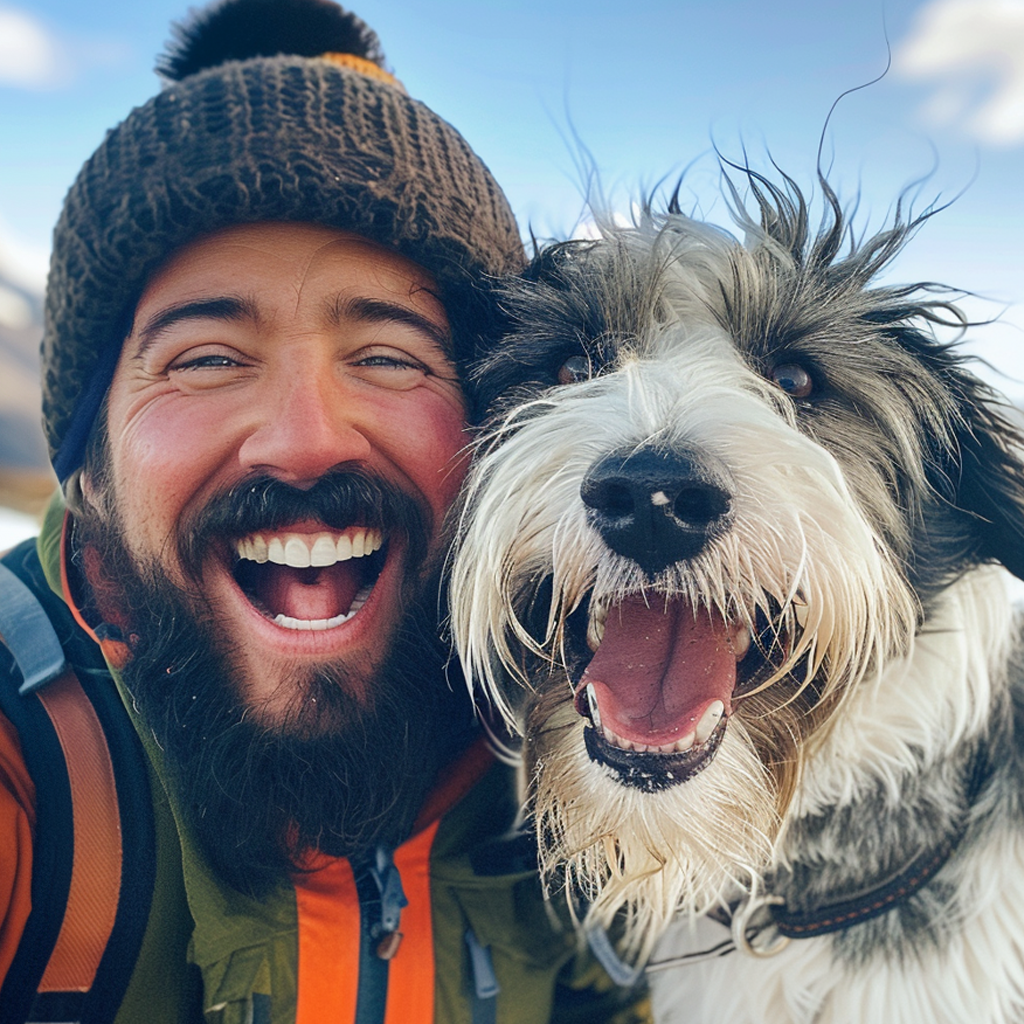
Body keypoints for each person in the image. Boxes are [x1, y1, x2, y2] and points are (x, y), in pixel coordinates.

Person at [0, 1, 652, 1022]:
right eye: (207, 360)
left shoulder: (617, 741)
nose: (305, 438)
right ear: (90, 466)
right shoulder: (26, 758)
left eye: (389, 357)